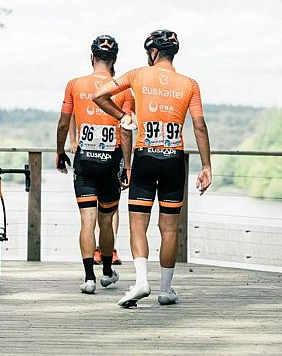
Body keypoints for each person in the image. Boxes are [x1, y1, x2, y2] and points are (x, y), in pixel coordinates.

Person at [93, 29, 212, 307]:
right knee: (169, 228)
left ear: (153, 52)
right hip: (173, 159)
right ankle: (166, 290)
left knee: (138, 224)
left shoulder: (137, 75)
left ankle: (142, 281)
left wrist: (123, 116)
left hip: (145, 157)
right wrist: (206, 165)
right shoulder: (190, 84)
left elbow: (100, 95)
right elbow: (199, 126)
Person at [56, 35, 133, 294]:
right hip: (111, 161)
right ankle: (108, 272)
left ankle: (89, 278)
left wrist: (59, 152)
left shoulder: (75, 85)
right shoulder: (123, 90)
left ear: (92, 58)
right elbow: (126, 131)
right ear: (114, 61)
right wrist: (128, 167)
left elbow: (64, 123)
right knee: (107, 219)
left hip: (84, 160)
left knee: (87, 220)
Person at [69, 118, 123, 266]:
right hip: (92, 155)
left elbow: (130, 118)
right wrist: (73, 140)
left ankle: (108, 250)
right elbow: (71, 116)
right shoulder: (82, 95)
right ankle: (99, 253)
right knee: (93, 216)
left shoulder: (120, 94)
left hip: (110, 153)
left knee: (107, 213)